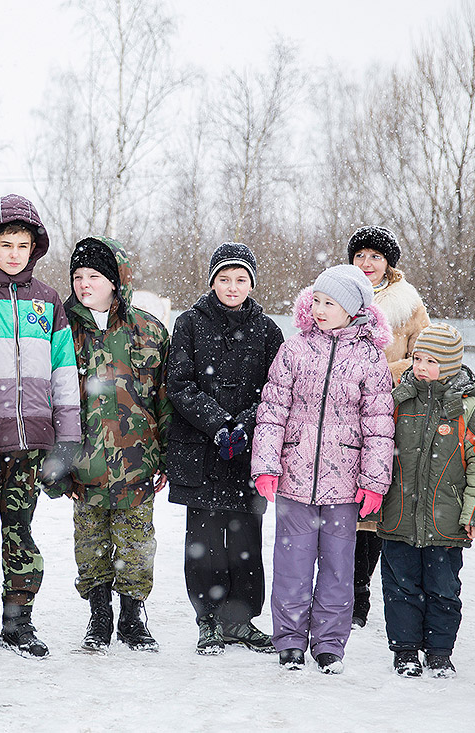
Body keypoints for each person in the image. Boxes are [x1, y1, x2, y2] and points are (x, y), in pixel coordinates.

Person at [251, 264, 394, 674]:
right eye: (316, 300)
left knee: (337, 567)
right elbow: (273, 410)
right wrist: (266, 464)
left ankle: (329, 644)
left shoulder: (370, 358)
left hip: (345, 483)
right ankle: (290, 640)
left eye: (329, 303)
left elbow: (379, 425)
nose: (319, 309)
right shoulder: (294, 349)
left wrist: (374, 481)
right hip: (294, 477)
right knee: (292, 566)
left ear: (352, 310)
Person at [0, 193, 80, 659]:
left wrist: (68, 437)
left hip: (32, 441)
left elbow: (64, 371)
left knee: (20, 531)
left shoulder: (48, 301)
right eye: (5, 245)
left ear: (34, 249)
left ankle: (18, 622)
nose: (14, 254)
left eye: (22, 245)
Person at [166, 243, 283, 655]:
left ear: (252, 284)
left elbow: (275, 389)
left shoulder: (268, 331)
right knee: (205, 543)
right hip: (201, 452)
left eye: (240, 279)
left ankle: (240, 619)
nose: (232, 287)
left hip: (248, 454)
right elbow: (179, 384)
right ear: (212, 281)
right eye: (224, 278)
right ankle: (209, 619)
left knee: (245, 542)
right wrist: (218, 424)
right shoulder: (188, 324)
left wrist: (243, 426)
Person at [59, 235, 171, 653]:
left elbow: (165, 400)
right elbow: (50, 400)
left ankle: (131, 617)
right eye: (77, 276)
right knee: (89, 545)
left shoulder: (149, 331)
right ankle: (99, 615)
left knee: (136, 545)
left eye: (94, 276)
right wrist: (58, 466)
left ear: (116, 280)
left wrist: (167, 457)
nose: (84, 284)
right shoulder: (62, 330)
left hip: (137, 463)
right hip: (84, 465)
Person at [378, 323, 475, 678]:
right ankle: (404, 650)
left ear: (448, 365)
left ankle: (439, 652)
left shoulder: (470, 409)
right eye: (417, 358)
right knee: (400, 588)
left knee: (443, 591)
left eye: (431, 361)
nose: (420, 367)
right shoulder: (398, 402)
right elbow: (376, 451)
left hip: (445, 524)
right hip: (399, 518)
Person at [348, 225, 430, 628]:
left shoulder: (408, 304)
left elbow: (424, 357)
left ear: (389, 264)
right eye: (360, 255)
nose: (367, 263)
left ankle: (360, 592)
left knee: (373, 507)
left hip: (388, 413)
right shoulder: (337, 295)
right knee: (341, 505)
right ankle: (343, 590)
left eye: (375, 257)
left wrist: (381, 372)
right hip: (342, 414)